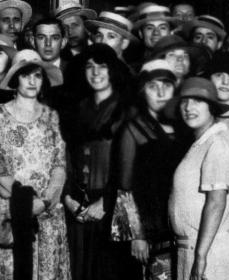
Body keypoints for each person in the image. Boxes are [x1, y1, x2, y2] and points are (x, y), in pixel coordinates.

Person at [0, 49, 70, 280]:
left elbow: (59, 163)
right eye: (26, 75)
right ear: (15, 80)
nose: (32, 81)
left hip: (47, 210)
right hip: (10, 206)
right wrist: (23, 202)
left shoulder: (52, 116)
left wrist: (45, 201)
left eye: (38, 75)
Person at [61, 44, 131, 280]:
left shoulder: (126, 109)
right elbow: (67, 155)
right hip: (78, 206)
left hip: (112, 207)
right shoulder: (76, 108)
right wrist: (69, 198)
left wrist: (105, 202)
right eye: (89, 67)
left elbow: (129, 166)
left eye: (102, 66)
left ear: (112, 70)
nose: (95, 72)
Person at [114, 59, 186, 280]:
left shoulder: (187, 125)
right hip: (152, 228)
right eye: (153, 86)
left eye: (167, 85)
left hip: (185, 227)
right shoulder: (133, 129)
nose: (161, 92)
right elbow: (124, 186)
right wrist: (136, 234)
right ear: (142, 92)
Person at [170, 77, 229, 280]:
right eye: (184, 101)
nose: (189, 107)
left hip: (209, 251)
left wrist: (201, 256)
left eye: (198, 101)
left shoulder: (218, 144)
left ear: (212, 107)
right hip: (194, 247)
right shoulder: (203, 142)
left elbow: (216, 202)